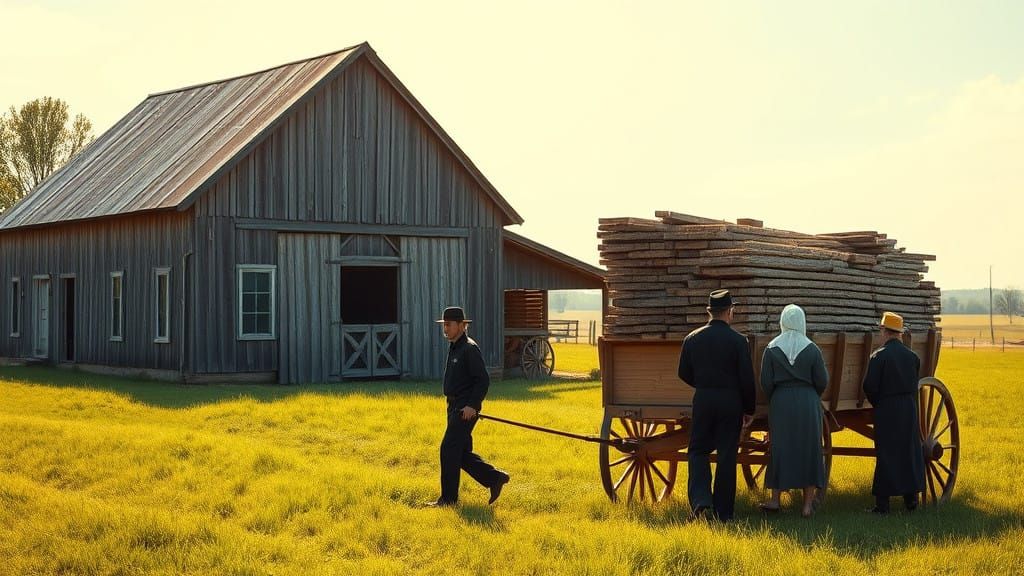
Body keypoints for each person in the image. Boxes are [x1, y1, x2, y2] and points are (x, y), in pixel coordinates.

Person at [677, 289, 756, 521]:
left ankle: (701, 500)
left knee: (698, 450)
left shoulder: (692, 339)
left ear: (708, 312)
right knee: (726, 454)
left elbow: (683, 373)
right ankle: (724, 512)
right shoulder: (739, 341)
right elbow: (747, 379)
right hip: (730, 401)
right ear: (730, 312)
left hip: (703, 399)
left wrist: (703, 385)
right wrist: (749, 409)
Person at [425, 306, 510, 507]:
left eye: (448, 325)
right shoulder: (455, 347)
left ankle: (448, 500)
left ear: (461, 326)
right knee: (460, 454)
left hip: (464, 409)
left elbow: (482, 380)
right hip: (454, 406)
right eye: (444, 325)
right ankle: (494, 478)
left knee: (448, 450)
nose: (445, 329)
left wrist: (472, 406)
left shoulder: (469, 349)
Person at [757, 304, 829, 518]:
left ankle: (775, 499)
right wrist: (809, 393)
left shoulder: (771, 348)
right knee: (810, 448)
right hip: (807, 401)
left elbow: (766, 382)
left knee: (780, 448)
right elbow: (822, 381)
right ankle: (806, 507)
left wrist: (778, 397)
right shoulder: (812, 349)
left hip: (781, 402)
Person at [862, 311, 925, 514]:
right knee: (908, 450)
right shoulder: (913, 357)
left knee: (886, 452)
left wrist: (879, 403)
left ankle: (883, 505)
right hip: (908, 407)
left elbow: (869, 386)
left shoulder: (878, 357)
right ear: (899, 333)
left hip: (887, 408)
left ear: (884, 332)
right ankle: (911, 500)